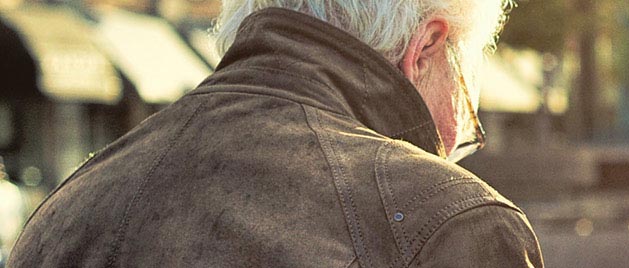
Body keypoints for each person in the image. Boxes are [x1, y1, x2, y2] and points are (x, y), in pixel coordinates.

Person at [8, 1, 538, 266]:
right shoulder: (454, 225)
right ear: (423, 48)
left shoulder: (64, 211)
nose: (454, 141)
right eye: (466, 91)